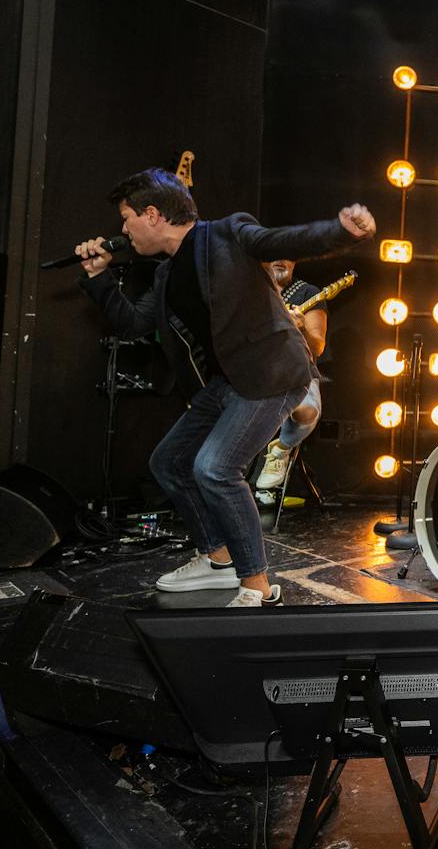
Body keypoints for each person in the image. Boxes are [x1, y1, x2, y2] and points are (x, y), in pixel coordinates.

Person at [74, 169, 374, 607]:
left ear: (152, 215)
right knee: (170, 462)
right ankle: (217, 559)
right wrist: (99, 276)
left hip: (274, 374)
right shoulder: (166, 274)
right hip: (226, 382)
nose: (123, 229)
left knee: (215, 468)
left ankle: (257, 587)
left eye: (126, 218)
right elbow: (133, 323)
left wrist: (341, 231)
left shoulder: (227, 234)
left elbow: (282, 240)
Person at [254, 259, 328, 499]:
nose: (280, 259)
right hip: (255, 374)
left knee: (307, 412)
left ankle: (280, 450)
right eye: (274, 254)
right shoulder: (249, 290)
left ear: (295, 261)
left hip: (296, 372)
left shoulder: (307, 292)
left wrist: (301, 328)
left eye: (287, 254)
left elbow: (317, 348)